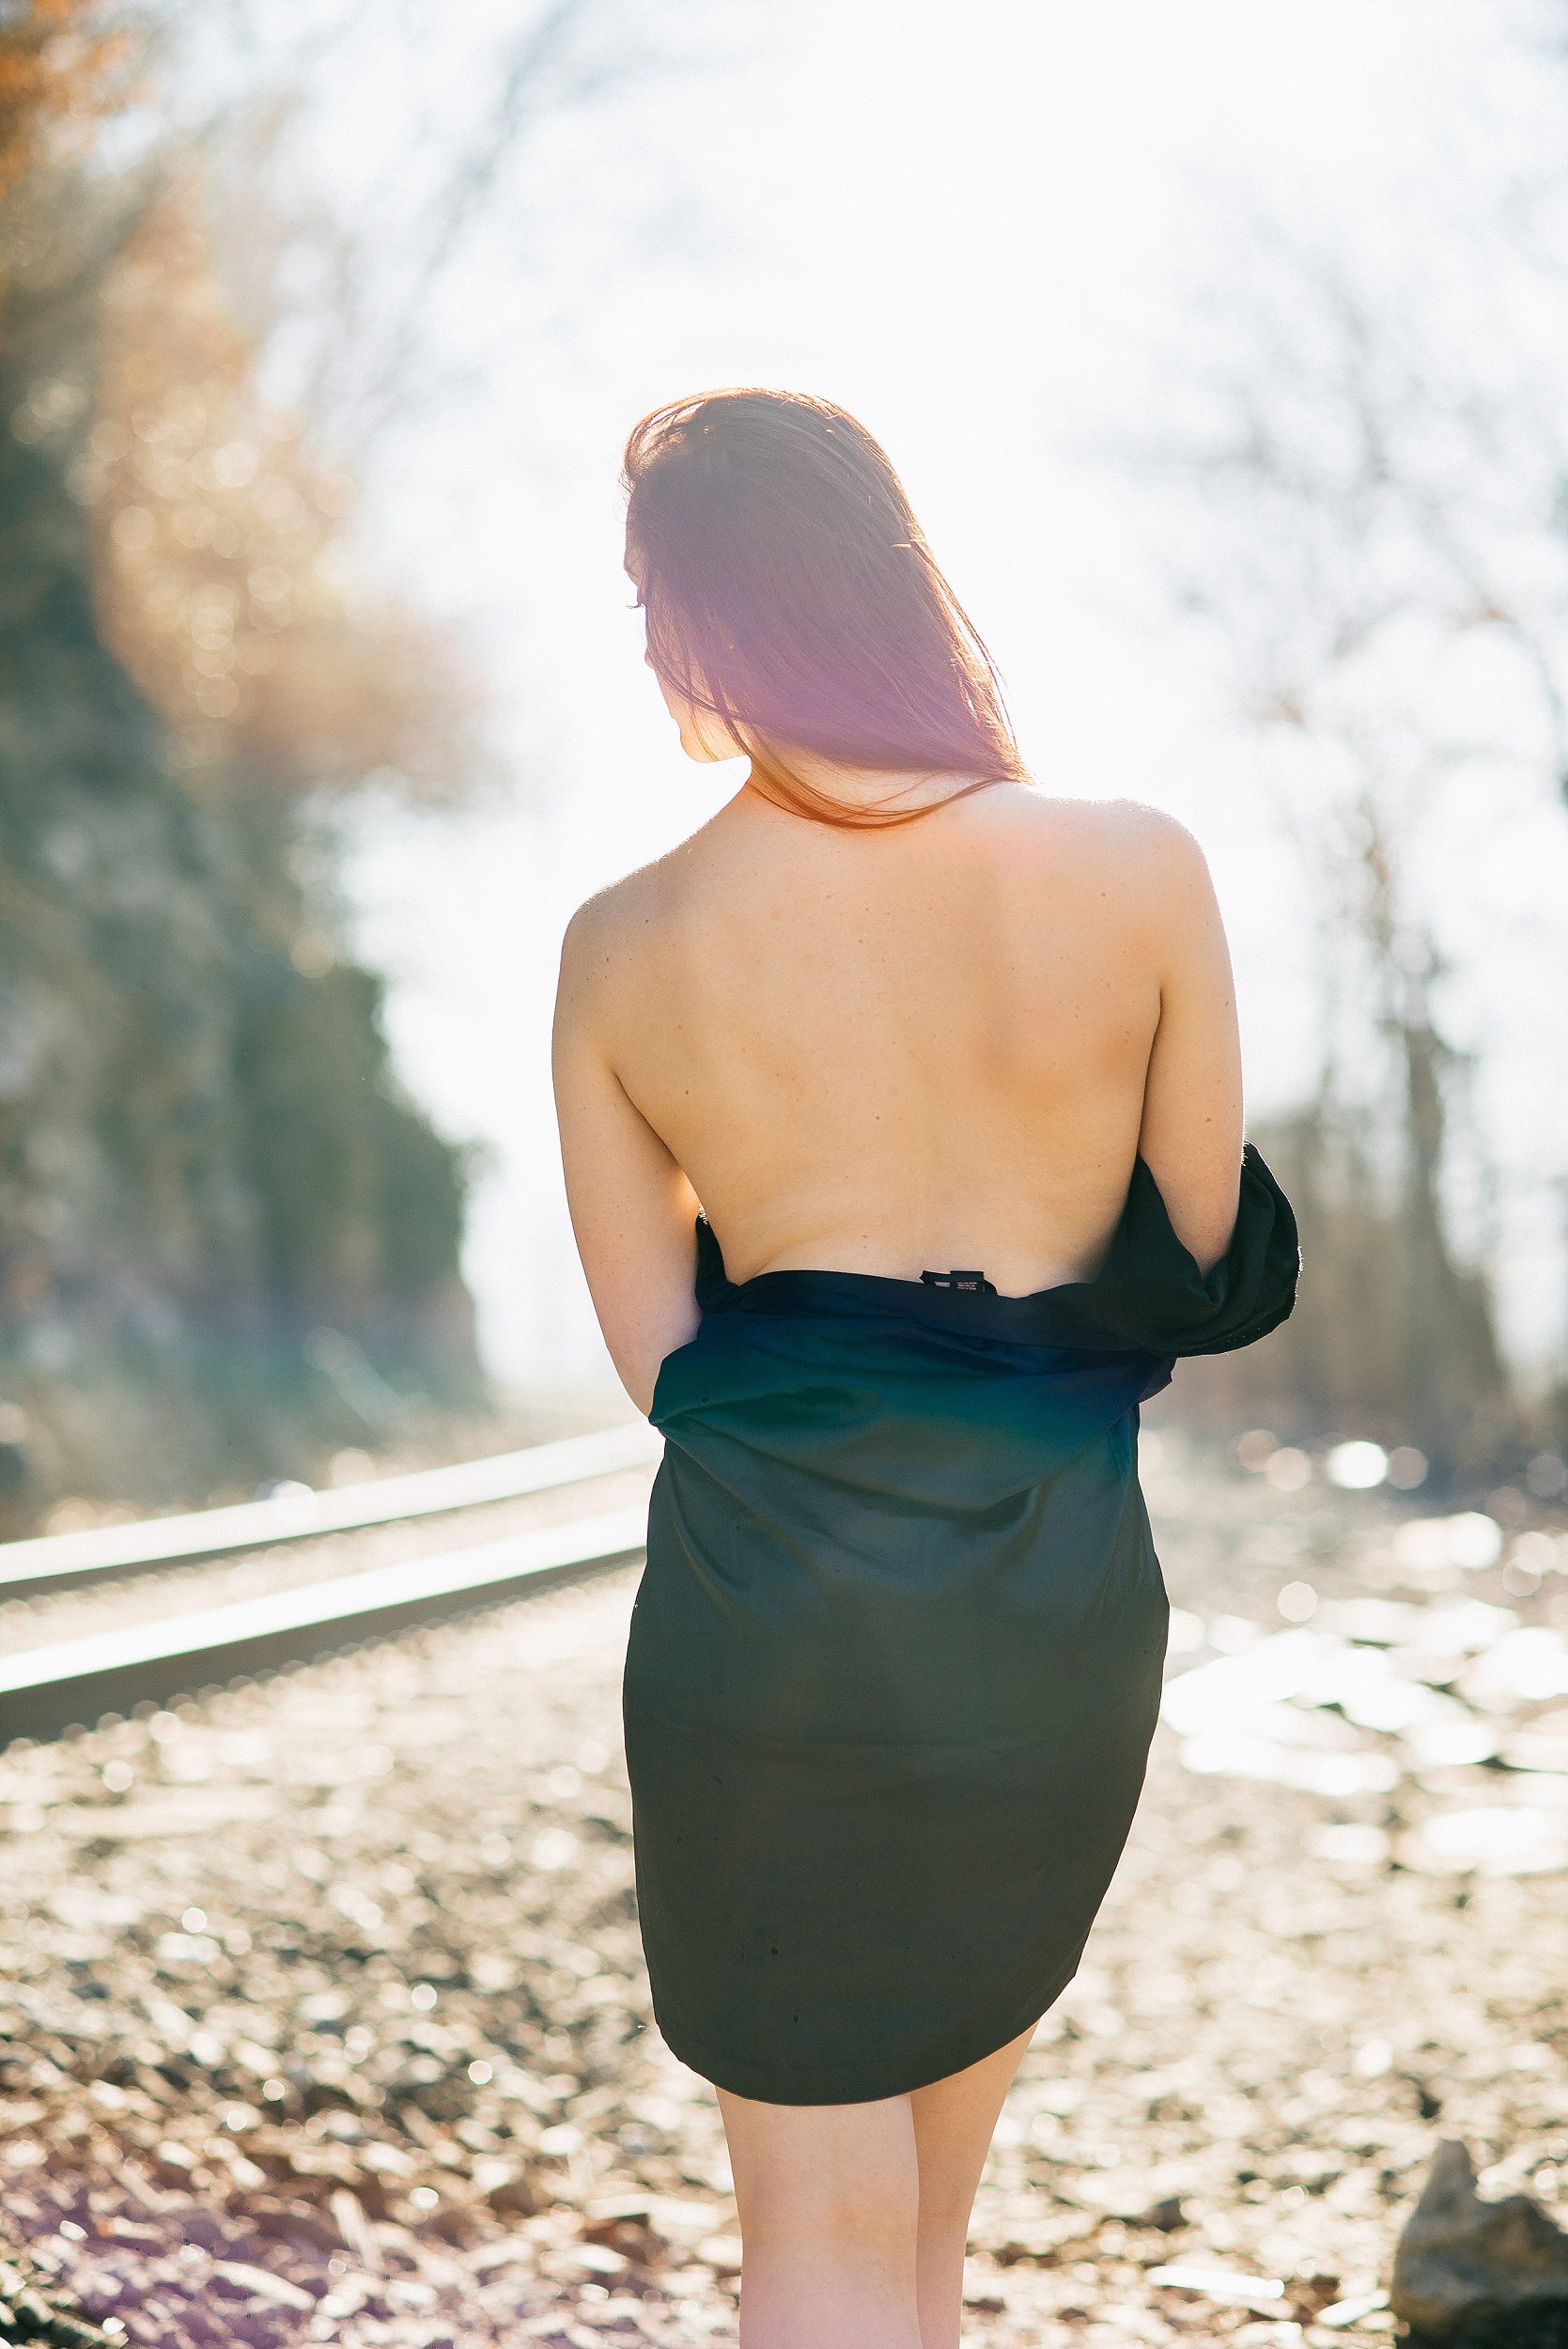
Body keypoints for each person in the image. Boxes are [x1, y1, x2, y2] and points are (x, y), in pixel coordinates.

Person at [552, 388, 1297, 2349]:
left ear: (704, 616)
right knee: (931, 2225)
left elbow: (663, 1364)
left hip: (763, 1617)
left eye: (648, 596)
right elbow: (1204, 1250)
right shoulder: (1137, 862)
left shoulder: (621, 942)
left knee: (812, 2228)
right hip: (1044, 1603)